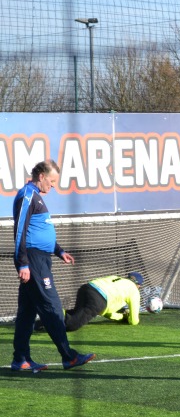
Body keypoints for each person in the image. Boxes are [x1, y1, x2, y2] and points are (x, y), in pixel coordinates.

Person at [11, 159, 95, 371]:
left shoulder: (36, 196)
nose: (53, 185)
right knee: (52, 307)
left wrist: (59, 251)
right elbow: (20, 230)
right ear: (41, 176)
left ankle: (20, 359)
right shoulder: (27, 195)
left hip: (40, 258)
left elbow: (41, 230)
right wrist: (22, 263)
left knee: (27, 313)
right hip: (33, 260)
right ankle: (69, 356)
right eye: (52, 181)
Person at [42, 272, 144, 332]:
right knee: (72, 324)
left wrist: (120, 317)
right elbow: (134, 321)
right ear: (138, 285)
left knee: (74, 314)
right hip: (98, 298)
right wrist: (127, 318)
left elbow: (104, 311)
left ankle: (41, 321)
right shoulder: (134, 290)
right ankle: (50, 312)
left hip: (86, 288)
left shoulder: (117, 279)